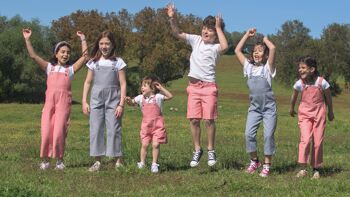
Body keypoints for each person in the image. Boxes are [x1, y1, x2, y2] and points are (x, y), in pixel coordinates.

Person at [167, 3, 228, 168]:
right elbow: (177, 33)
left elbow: (225, 46)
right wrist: (172, 18)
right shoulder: (196, 40)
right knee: (194, 120)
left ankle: (210, 150)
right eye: (204, 28)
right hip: (193, 87)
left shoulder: (215, 47)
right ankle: (197, 149)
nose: (205, 31)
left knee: (209, 120)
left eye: (210, 29)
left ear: (216, 34)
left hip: (209, 88)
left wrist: (219, 27)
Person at [23, 28, 88, 170]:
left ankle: (59, 161)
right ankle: (45, 160)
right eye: (62, 52)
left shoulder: (69, 70)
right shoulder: (49, 68)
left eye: (68, 52)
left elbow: (84, 57)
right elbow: (33, 56)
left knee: (59, 132)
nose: (65, 54)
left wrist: (82, 39)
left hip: (63, 105)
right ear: (56, 54)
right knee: (46, 131)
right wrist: (27, 39)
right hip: (49, 105)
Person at [234, 28, 277, 177]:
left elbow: (273, 48)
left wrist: (264, 41)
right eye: (255, 51)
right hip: (254, 109)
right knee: (248, 134)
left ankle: (267, 165)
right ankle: (254, 161)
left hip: (269, 109)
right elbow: (237, 50)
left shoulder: (267, 69)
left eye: (260, 51)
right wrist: (247, 35)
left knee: (268, 136)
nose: (257, 53)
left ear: (265, 55)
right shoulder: (249, 68)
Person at [82, 30, 127, 172]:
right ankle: (97, 161)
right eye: (101, 43)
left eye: (107, 43)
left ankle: (118, 159)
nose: (104, 46)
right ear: (98, 45)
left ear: (113, 45)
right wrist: (84, 101)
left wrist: (121, 104)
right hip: (96, 99)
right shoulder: (93, 62)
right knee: (96, 129)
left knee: (114, 129)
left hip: (114, 99)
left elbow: (123, 84)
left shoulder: (118, 62)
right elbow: (88, 82)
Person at [290, 56, 334, 179]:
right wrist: (291, 108)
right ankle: (303, 168)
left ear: (312, 69)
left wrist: (330, 112)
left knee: (318, 141)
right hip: (304, 114)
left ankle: (316, 169)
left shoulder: (322, 82)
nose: (300, 70)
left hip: (319, 113)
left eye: (303, 67)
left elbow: (329, 99)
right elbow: (293, 97)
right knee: (305, 139)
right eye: (299, 68)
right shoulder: (300, 83)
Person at [125, 76, 173, 173]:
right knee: (145, 144)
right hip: (146, 127)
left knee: (155, 145)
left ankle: (154, 164)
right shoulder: (140, 98)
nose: (142, 88)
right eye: (142, 86)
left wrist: (161, 88)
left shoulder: (158, 97)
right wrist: (128, 100)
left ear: (152, 88)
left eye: (144, 86)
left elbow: (170, 96)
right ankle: (142, 163)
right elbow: (132, 103)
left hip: (158, 127)